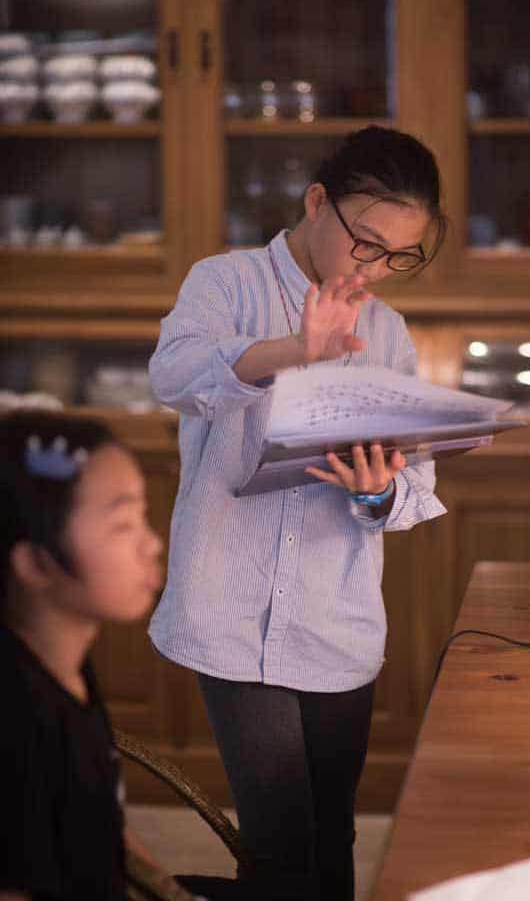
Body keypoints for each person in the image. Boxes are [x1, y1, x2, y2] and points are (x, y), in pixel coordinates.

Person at [148, 126, 450, 901]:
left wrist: (375, 489)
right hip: (231, 603)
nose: (373, 268)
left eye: (397, 256)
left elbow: (410, 483)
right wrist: (294, 350)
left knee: (332, 833)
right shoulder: (225, 281)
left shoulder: (385, 330)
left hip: (333, 611)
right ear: (316, 202)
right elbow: (174, 377)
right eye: (365, 242)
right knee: (280, 843)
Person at [0, 411, 167, 901]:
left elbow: (101, 830)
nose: (153, 543)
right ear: (34, 562)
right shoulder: (0, 714)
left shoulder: (62, 662)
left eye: (142, 517)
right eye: (122, 525)